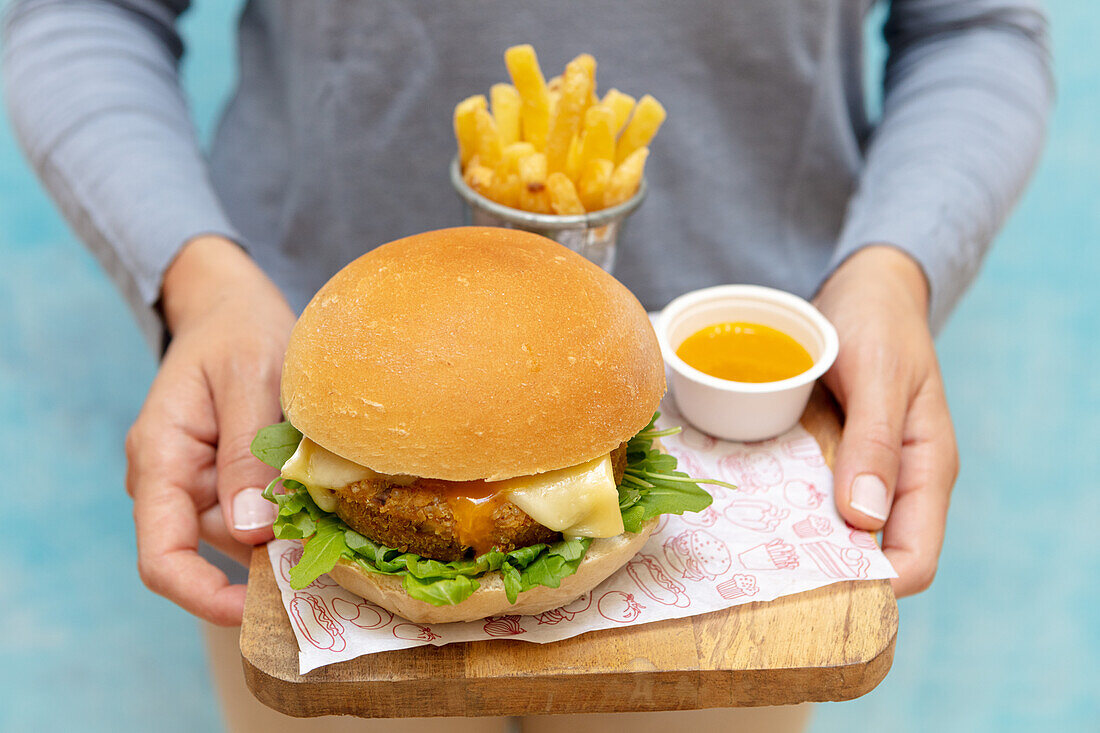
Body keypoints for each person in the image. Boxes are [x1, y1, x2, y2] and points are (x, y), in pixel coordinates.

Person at [3, 1, 1051, 731]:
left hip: (741, 431)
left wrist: (894, 268)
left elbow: (973, 26)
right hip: (293, 368)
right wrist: (198, 280)